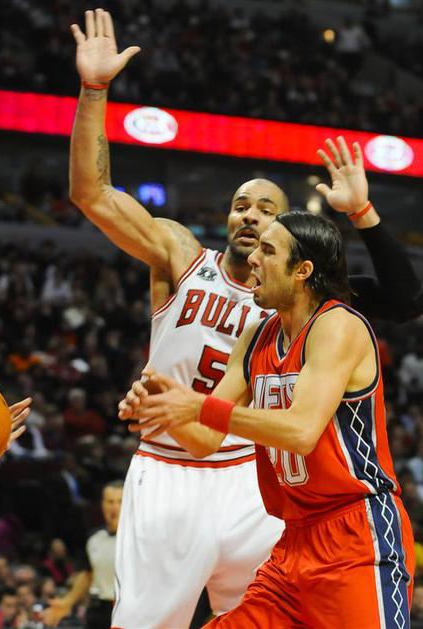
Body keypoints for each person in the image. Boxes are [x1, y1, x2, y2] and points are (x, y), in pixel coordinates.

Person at [69, 8, 423, 627]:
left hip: (263, 484)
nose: (251, 216)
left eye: (266, 209)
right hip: (179, 461)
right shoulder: (187, 260)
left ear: (293, 245)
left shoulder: (316, 305)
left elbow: (404, 298)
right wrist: (94, 90)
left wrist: (363, 213)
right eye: (240, 205)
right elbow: (92, 195)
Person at [122, 211, 415, 627]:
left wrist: (196, 405)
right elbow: (205, 440)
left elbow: (301, 431)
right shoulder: (256, 336)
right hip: (293, 542)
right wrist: (163, 406)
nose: (253, 258)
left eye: (268, 250)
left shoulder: (337, 325)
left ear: (302, 270)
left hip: (357, 536)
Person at [43, 480, 124, 629]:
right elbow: (88, 574)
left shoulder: (138, 539)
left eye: (120, 501)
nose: (114, 507)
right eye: (110, 502)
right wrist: (67, 602)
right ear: (102, 505)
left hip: (125, 610)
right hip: (97, 609)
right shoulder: (94, 538)